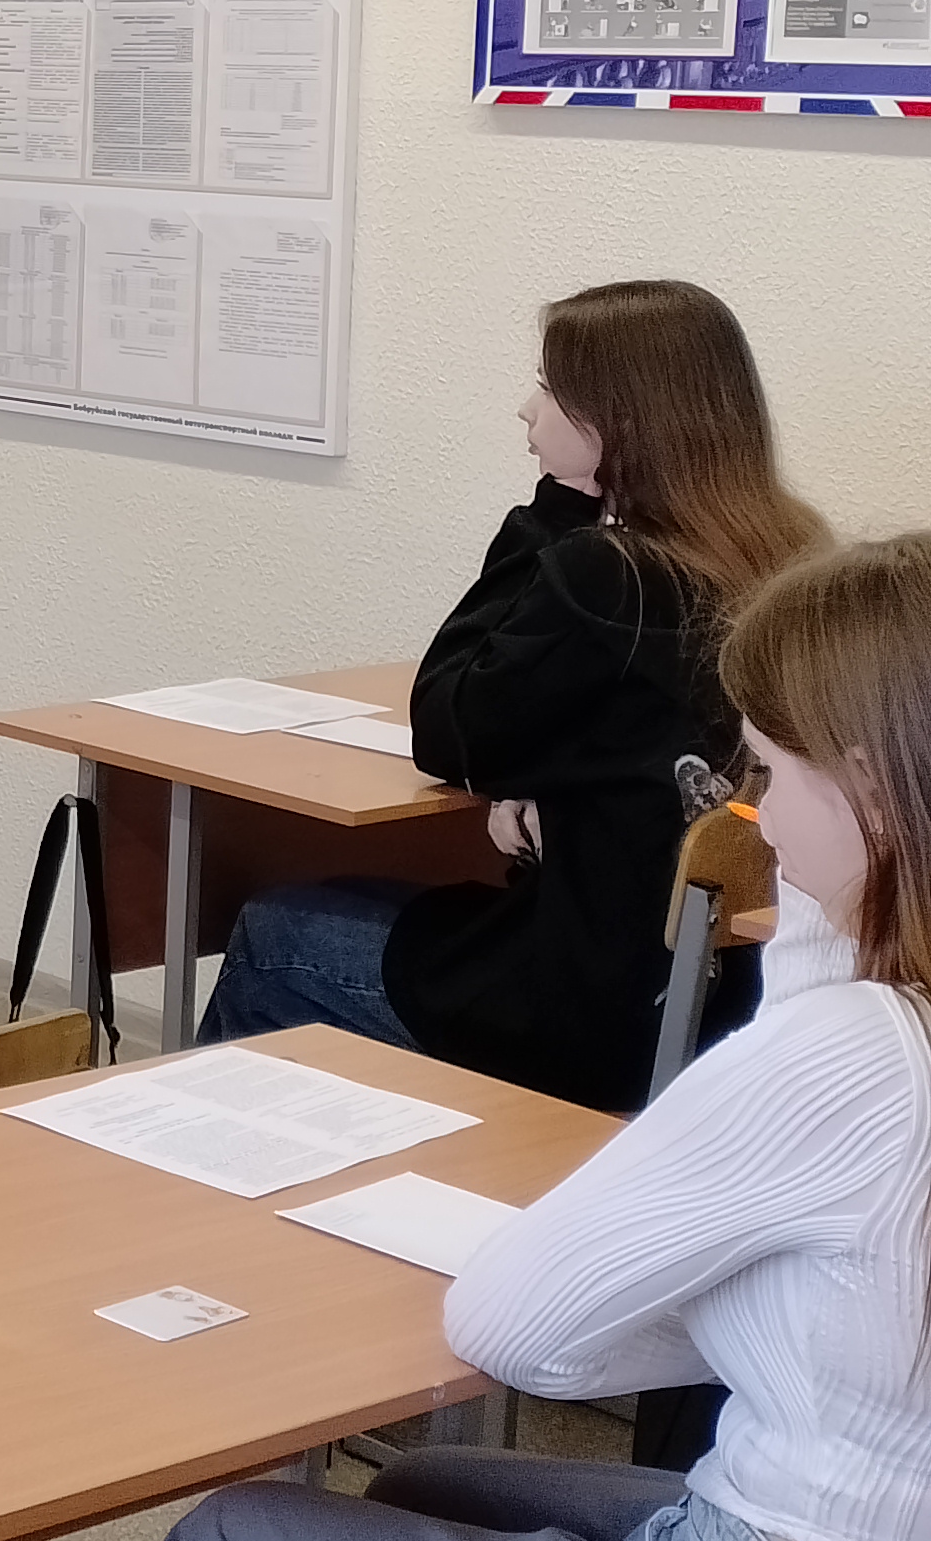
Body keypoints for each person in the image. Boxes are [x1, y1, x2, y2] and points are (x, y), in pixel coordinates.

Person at [151, 529, 931, 1541]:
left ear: (876, 790)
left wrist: (695, 1304)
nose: (753, 817)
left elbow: (509, 1329)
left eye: (773, 774)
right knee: (424, 1484)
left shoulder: (851, 1055)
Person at [198, 278, 826, 1111]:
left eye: (550, 389)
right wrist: (541, 790)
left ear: (613, 422)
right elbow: (623, 736)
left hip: (587, 1012)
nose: (527, 411)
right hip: (728, 1006)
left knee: (276, 931)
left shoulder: (612, 574)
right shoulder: (790, 560)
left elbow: (447, 724)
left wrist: (553, 514)